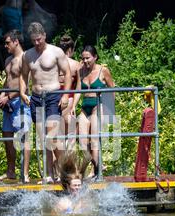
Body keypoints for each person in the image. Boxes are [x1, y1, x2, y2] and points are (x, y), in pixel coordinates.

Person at [20, 22, 71, 183]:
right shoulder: (27, 55)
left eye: (39, 39)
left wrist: (64, 96)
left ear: (45, 36)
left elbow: (67, 73)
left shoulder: (56, 52)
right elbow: (23, 76)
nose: (37, 43)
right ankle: (49, 174)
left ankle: (65, 169)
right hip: (36, 97)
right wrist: (22, 92)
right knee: (43, 138)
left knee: (52, 136)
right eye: (34, 40)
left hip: (53, 95)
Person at [0, 30, 31, 183]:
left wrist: (8, 97)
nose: (5, 45)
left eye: (7, 42)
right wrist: (1, 94)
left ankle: (25, 173)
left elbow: (25, 85)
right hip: (7, 102)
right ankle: (10, 171)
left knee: (24, 137)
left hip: (20, 100)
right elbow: (8, 81)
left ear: (16, 42)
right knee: (7, 136)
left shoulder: (25, 59)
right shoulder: (8, 60)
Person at [73, 45, 115, 180]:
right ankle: (96, 164)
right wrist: (73, 105)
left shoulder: (103, 71)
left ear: (95, 57)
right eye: (83, 58)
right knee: (83, 140)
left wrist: (110, 109)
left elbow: (112, 89)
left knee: (94, 138)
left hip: (99, 105)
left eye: (88, 58)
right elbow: (78, 90)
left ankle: (95, 170)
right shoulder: (81, 71)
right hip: (85, 107)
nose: (85, 61)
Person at [58, 35, 79, 151]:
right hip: (69, 100)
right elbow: (79, 87)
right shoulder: (76, 64)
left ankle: (57, 169)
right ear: (71, 50)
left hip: (55, 101)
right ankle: (71, 168)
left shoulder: (52, 64)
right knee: (70, 139)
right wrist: (74, 104)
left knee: (57, 140)